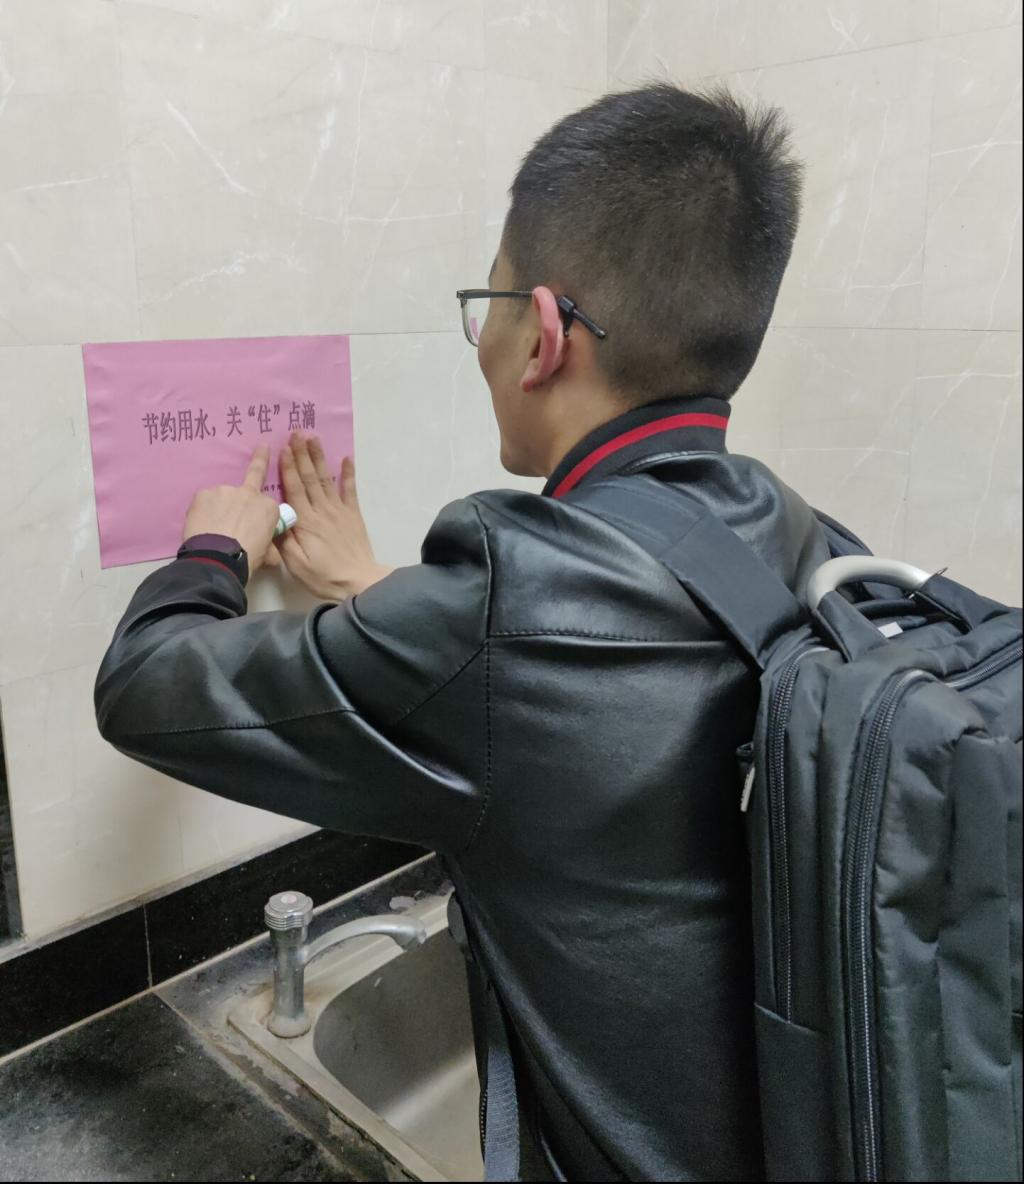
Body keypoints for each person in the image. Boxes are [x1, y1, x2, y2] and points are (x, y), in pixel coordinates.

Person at [96, 83, 835, 1181]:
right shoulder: (797, 530)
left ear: (542, 335)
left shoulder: (502, 599)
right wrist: (376, 588)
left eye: (485, 302)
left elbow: (142, 685)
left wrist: (211, 551)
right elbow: (598, 684)